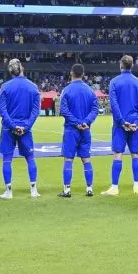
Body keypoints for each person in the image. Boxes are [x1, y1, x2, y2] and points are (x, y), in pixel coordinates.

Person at [0, 59, 41, 199]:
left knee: (7, 160)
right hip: (25, 129)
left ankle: (8, 191)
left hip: (8, 129)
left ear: (10, 71)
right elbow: (35, 110)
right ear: (22, 67)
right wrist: (26, 126)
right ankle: (33, 190)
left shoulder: (5, 86)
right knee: (30, 158)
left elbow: (2, 110)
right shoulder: (33, 86)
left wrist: (12, 125)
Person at [102, 55, 138, 196]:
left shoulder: (114, 82)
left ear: (121, 64)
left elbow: (114, 104)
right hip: (134, 124)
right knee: (135, 154)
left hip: (120, 124)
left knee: (117, 154)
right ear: (132, 65)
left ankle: (115, 187)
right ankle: (136, 186)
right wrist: (137, 122)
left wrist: (122, 122)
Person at [58, 63, 98, 198]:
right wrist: (85, 122)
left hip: (71, 130)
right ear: (83, 74)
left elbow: (64, 110)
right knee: (86, 159)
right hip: (86, 130)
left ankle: (67, 189)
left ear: (71, 73)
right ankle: (89, 188)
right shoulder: (90, 90)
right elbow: (95, 110)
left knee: (68, 159)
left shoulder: (66, 90)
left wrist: (76, 123)